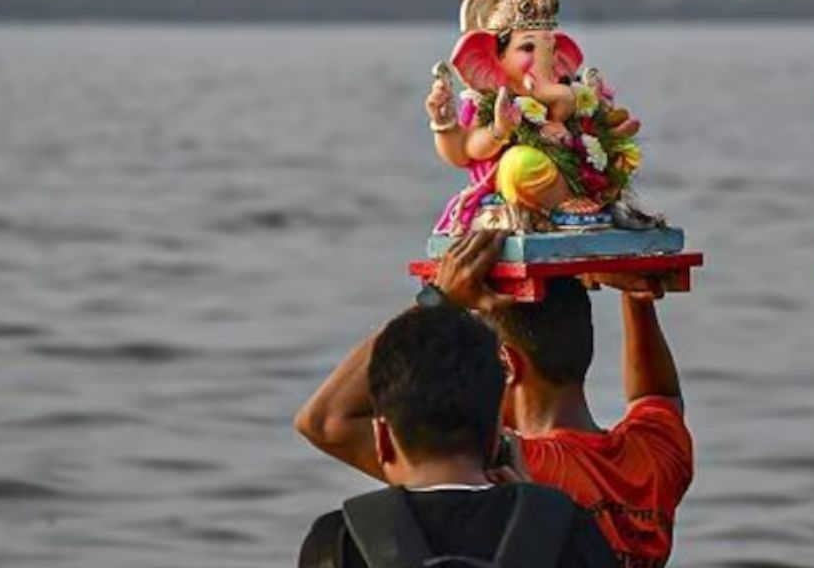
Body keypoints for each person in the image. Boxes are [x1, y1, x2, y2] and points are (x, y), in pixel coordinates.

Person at [296, 231, 694, 568]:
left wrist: (439, 301)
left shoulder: (506, 464)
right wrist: (637, 298)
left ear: (506, 364)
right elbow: (657, 395)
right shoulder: (655, 457)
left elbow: (326, 421)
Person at [296, 301, 617, 568]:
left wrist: (438, 294)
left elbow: (323, 420)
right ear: (496, 436)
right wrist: (538, 514)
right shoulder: (567, 531)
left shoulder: (338, 541)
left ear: (382, 438)